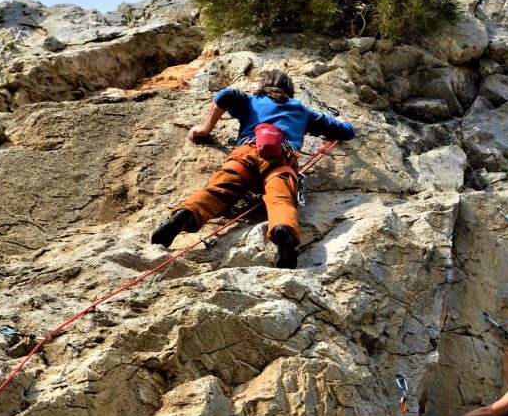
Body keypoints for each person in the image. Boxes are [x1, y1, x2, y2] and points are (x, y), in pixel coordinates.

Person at [151, 70, 355, 269]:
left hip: (246, 153)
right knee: (281, 200)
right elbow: (345, 132)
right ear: (290, 91)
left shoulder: (252, 101)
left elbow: (225, 95)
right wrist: (344, 121)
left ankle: (187, 213)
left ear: (262, 86)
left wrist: (205, 129)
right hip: (281, 161)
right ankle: (283, 232)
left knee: (217, 192)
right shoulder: (301, 110)